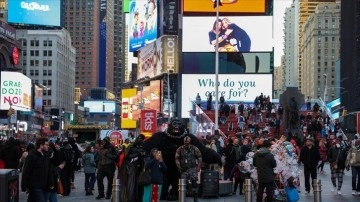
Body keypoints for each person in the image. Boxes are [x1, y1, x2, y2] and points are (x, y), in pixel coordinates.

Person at [21, 138, 50, 202]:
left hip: (44, 185)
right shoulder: (32, 156)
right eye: (46, 145)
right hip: (35, 185)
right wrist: (24, 186)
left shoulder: (45, 154)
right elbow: (26, 171)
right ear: (41, 145)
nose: (48, 146)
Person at [175, 136, 202, 202]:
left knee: (194, 183)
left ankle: (195, 198)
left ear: (190, 142)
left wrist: (198, 166)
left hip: (192, 168)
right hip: (184, 169)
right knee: (183, 184)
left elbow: (199, 157)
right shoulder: (180, 149)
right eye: (185, 142)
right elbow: (176, 158)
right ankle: (183, 197)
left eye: (187, 142)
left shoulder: (194, 148)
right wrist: (178, 166)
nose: (186, 144)